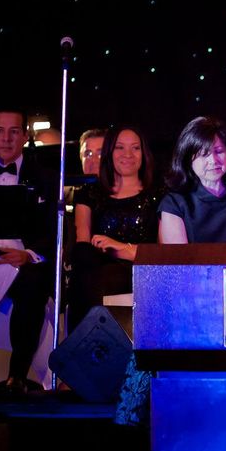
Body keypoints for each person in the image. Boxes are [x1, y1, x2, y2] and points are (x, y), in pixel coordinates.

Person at [0, 108, 57, 394]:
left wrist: (29, 255)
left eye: (14, 131)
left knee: (33, 287)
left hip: (22, 261)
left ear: (24, 135)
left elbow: (54, 230)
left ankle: (17, 377)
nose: (6, 138)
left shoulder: (45, 177)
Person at [69, 126, 162, 331]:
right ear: (110, 152)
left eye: (135, 148)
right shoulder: (90, 193)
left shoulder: (159, 194)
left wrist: (119, 247)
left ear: (143, 153)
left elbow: (163, 253)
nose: (127, 154)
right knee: (84, 262)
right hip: (95, 267)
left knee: (104, 278)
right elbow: (82, 241)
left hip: (141, 269)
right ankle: (78, 345)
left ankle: (87, 345)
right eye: (120, 147)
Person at [159, 116, 226, 243]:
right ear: (188, 159)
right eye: (204, 154)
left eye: (219, 151)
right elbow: (178, 260)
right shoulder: (175, 203)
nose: (213, 161)